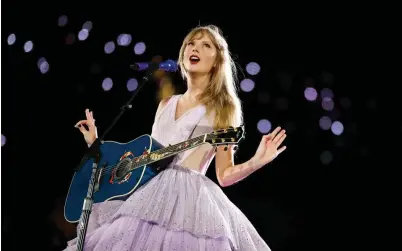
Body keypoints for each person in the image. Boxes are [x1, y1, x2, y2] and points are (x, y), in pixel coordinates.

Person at [68, 24, 287, 251]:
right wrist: (96, 144)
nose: (195, 48)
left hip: (189, 203)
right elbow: (145, 160)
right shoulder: (166, 104)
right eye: (191, 43)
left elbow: (224, 175)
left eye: (206, 45)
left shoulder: (223, 108)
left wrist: (256, 161)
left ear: (217, 61)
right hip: (147, 198)